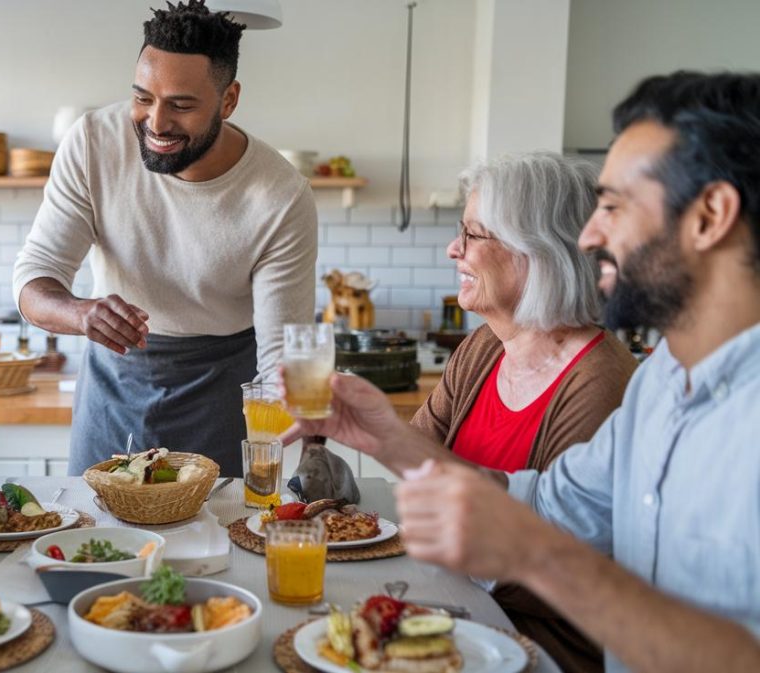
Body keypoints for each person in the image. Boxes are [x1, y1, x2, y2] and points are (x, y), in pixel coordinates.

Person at [285, 71, 760, 672]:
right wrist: (386, 436)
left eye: (614, 206)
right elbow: (551, 505)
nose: (590, 234)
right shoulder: (663, 382)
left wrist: (535, 555)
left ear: (710, 214)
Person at [12, 0, 317, 477]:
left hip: (220, 393)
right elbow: (35, 279)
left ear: (229, 100)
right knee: (95, 542)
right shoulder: (94, 142)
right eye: (142, 97)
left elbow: (281, 360)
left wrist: (306, 444)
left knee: (215, 545)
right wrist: (81, 313)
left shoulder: (280, 196)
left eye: (181, 105)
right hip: (113, 386)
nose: (155, 123)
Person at [413, 152, 637, 671]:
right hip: (453, 607)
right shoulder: (483, 348)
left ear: (538, 253)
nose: (454, 249)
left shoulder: (600, 382)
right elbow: (413, 471)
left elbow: (554, 574)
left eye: (473, 234)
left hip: (533, 645)